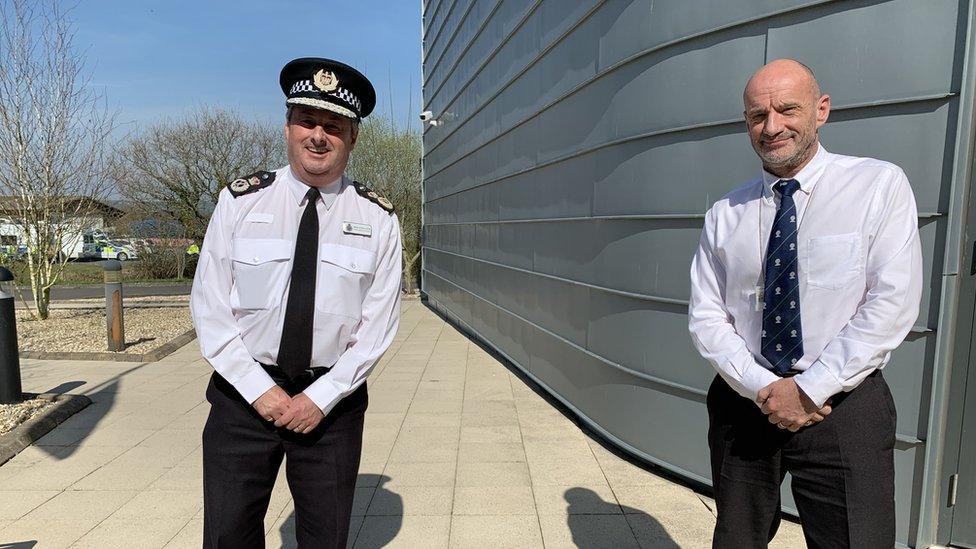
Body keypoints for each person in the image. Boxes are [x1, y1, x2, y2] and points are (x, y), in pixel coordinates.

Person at [688, 58, 922, 548]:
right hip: (746, 401)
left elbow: (891, 302)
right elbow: (708, 317)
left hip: (843, 402)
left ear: (821, 110)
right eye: (757, 115)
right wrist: (765, 388)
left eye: (786, 109)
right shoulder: (724, 214)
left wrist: (810, 389)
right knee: (736, 540)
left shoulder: (877, 186)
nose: (771, 126)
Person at [190, 57, 402, 548]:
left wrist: (320, 398)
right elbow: (210, 306)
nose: (318, 136)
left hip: (331, 406)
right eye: (307, 121)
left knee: (325, 539)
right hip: (242, 399)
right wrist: (257, 389)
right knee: (227, 536)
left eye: (333, 126)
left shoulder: (379, 219)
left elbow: (378, 326)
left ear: (353, 139)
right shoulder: (240, 203)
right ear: (287, 127)